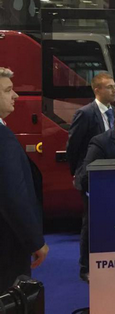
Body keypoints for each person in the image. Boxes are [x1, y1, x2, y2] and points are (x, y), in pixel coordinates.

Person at [0, 68, 48, 293]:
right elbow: (12, 195)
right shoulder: (3, 138)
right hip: (7, 244)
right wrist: (35, 241)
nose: (16, 95)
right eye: (8, 90)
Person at [66, 72, 115, 282]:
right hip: (91, 177)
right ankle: (86, 267)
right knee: (90, 223)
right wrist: (78, 173)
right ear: (97, 90)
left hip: (113, 177)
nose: (114, 90)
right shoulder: (85, 113)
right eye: (110, 87)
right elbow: (73, 147)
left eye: (114, 86)